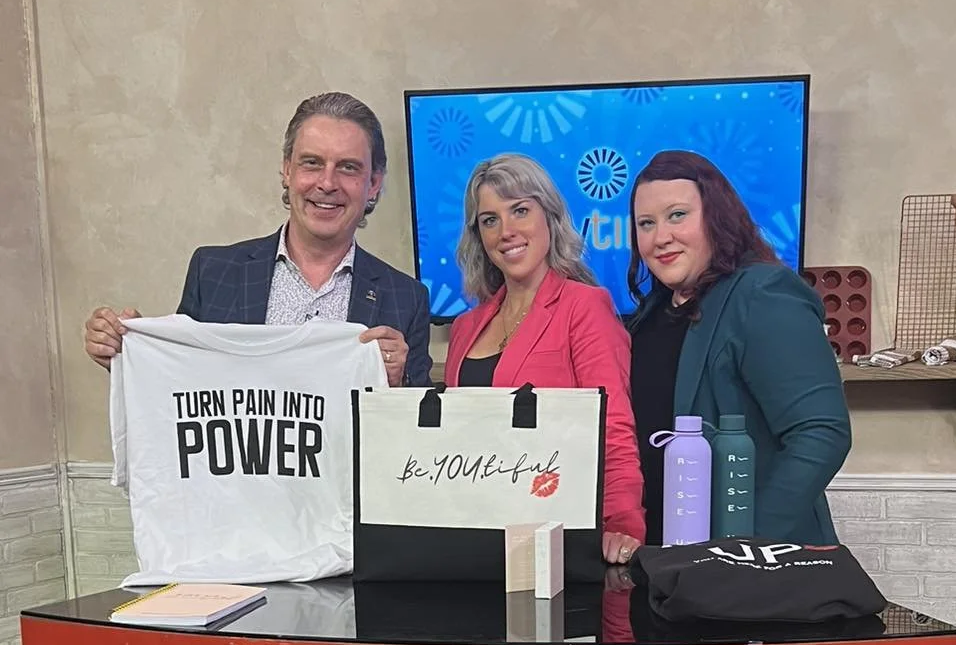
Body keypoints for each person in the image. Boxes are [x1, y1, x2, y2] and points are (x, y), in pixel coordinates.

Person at [83, 91, 432, 387]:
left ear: (373, 183)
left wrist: (398, 382)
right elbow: (183, 387)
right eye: (311, 163)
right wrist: (132, 352)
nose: (327, 183)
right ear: (287, 170)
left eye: (348, 167)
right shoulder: (214, 272)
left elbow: (418, 434)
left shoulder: (405, 298)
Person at [626, 149, 851, 547]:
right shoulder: (650, 314)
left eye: (677, 215)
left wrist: (744, 547)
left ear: (716, 216)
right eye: (646, 223)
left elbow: (821, 432)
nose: (661, 237)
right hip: (667, 560)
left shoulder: (763, 294)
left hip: (750, 570)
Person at [444, 154, 645, 565]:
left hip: (556, 537)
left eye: (520, 210)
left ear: (549, 216)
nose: (506, 231)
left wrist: (622, 522)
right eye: (489, 220)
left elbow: (614, 427)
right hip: (473, 538)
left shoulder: (585, 307)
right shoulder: (465, 327)